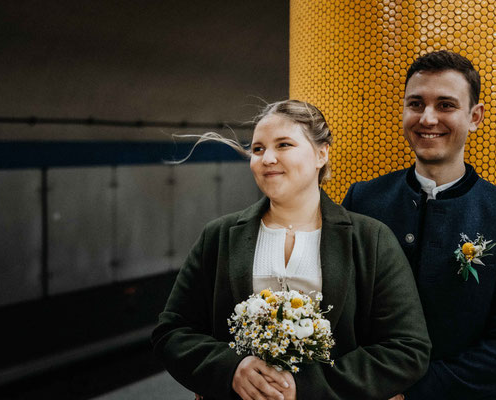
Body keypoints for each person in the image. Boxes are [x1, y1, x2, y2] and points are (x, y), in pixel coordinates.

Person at [152, 100, 431, 400]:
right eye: (258, 149)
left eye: (283, 144)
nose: (267, 158)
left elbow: (407, 349)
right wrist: (231, 369)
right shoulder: (218, 236)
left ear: (321, 154)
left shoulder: (370, 239)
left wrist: (309, 387)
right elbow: (172, 332)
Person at [342, 50, 496, 400]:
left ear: (474, 116)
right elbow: (335, 304)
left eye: (446, 105)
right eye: (416, 104)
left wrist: (414, 390)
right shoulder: (362, 201)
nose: (428, 118)